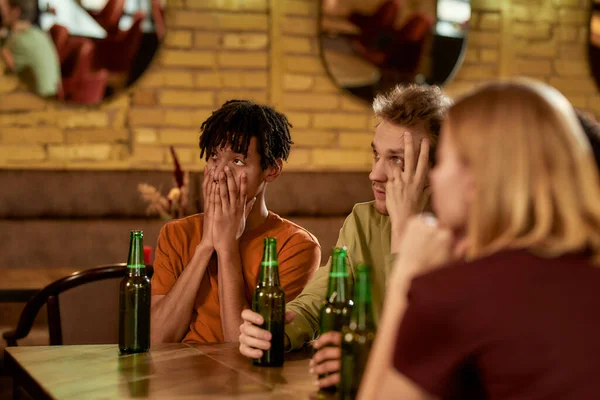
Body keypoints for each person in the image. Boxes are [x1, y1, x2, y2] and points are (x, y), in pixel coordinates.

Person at [359, 79, 600, 399]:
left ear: (478, 179)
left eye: (442, 160)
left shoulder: (454, 292)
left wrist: (407, 274)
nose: (433, 176)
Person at [238, 84, 452, 389]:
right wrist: (278, 328)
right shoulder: (363, 221)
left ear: (438, 167)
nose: (375, 174)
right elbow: (318, 299)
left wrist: (406, 228)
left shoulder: (467, 236)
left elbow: (427, 344)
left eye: (397, 159)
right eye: (376, 154)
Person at [150, 100, 321, 344]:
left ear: (271, 170)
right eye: (214, 157)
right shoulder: (176, 233)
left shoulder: (296, 246)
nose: (220, 173)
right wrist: (206, 246)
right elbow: (156, 339)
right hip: (177, 375)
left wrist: (227, 247)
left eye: (237, 161)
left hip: (248, 379)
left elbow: (245, 348)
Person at [0, 0, 60, 97]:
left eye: (3, 9)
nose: (1, 13)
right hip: (50, 98)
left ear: (15, 12)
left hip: (36, 103)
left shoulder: (18, 41)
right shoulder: (40, 34)